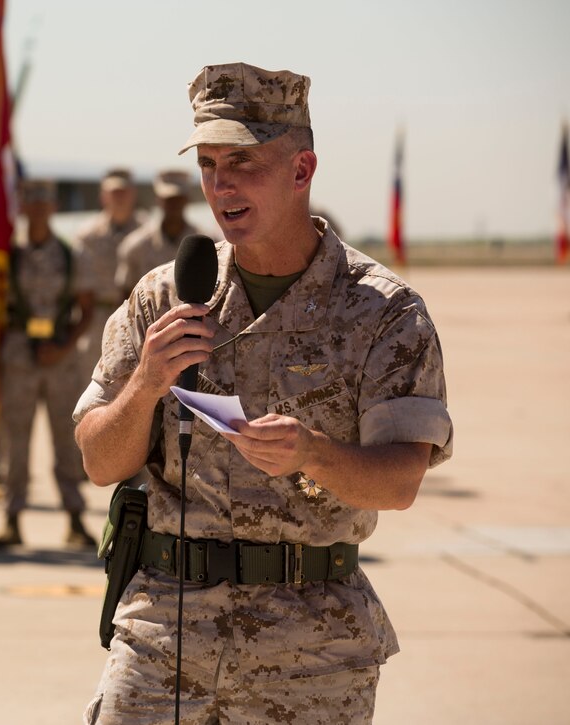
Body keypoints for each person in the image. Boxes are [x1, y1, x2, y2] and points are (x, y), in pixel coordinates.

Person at [75, 63, 453, 723]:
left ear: (302, 170)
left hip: (312, 650)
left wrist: (311, 452)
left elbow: (399, 481)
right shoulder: (167, 295)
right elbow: (101, 460)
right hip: (166, 628)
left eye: (244, 162)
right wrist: (145, 384)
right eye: (211, 164)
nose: (221, 184)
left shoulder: (383, 311)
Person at [0, 179, 97, 550]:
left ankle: (74, 518)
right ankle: (11, 519)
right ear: (22, 207)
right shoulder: (8, 255)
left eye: (44, 203)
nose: (37, 209)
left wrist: (65, 345)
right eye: (31, 202)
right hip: (20, 354)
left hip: (59, 355)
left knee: (65, 441)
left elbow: (85, 308)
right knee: (15, 442)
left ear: (53, 207)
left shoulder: (71, 254)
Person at [74, 168, 145, 386]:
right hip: (97, 322)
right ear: (103, 196)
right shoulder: (87, 235)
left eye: (123, 192)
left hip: (139, 323)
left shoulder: (147, 231)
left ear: (133, 194)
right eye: (113, 192)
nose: (119, 197)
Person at [114, 169, 202, 299]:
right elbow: (126, 297)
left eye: (178, 198)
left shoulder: (206, 244)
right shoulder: (136, 245)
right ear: (158, 200)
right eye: (168, 199)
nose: (173, 205)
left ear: (187, 200)